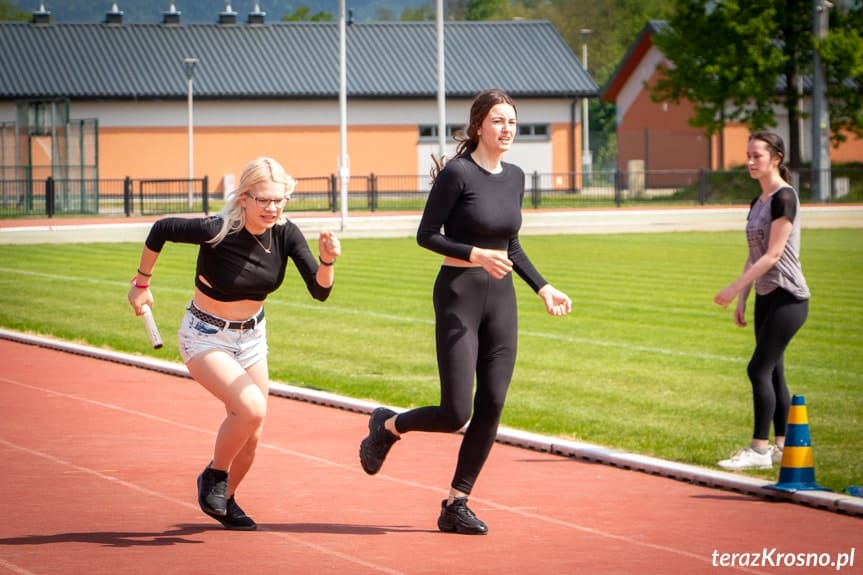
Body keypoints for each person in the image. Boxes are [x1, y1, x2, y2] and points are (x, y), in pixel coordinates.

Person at [359, 89, 572, 535]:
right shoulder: (457, 174)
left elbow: (511, 244)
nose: (507, 128)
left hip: (502, 300)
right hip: (458, 294)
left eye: (512, 121)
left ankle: (457, 502)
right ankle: (389, 426)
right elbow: (426, 234)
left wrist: (543, 287)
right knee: (456, 411)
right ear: (478, 126)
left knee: (492, 403)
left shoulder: (515, 176)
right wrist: (475, 254)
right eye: (498, 120)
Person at [127, 156, 341, 530]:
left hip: (252, 338)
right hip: (205, 335)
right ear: (244, 197)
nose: (273, 208)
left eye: (279, 200)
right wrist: (141, 284)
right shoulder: (217, 230)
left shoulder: (286, 233)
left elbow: (319, 291)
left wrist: (326, 262)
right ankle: (214, 476)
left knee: (253, 432)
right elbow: (161, 229)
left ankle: (225, 501)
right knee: (251, 408)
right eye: (264, 200)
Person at [714, 131, 810, 470]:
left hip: (789, 297)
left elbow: (772, 255)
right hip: (766, 296)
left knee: (758, 368)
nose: (751, 162)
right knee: (774, 371)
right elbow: (752, 254)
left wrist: (730, 288)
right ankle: (782, 447)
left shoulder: (785, 198)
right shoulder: (758, 202)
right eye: (748, 156)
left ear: (776, 158)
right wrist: (742, 298)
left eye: (757, 156)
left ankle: (758, 449)